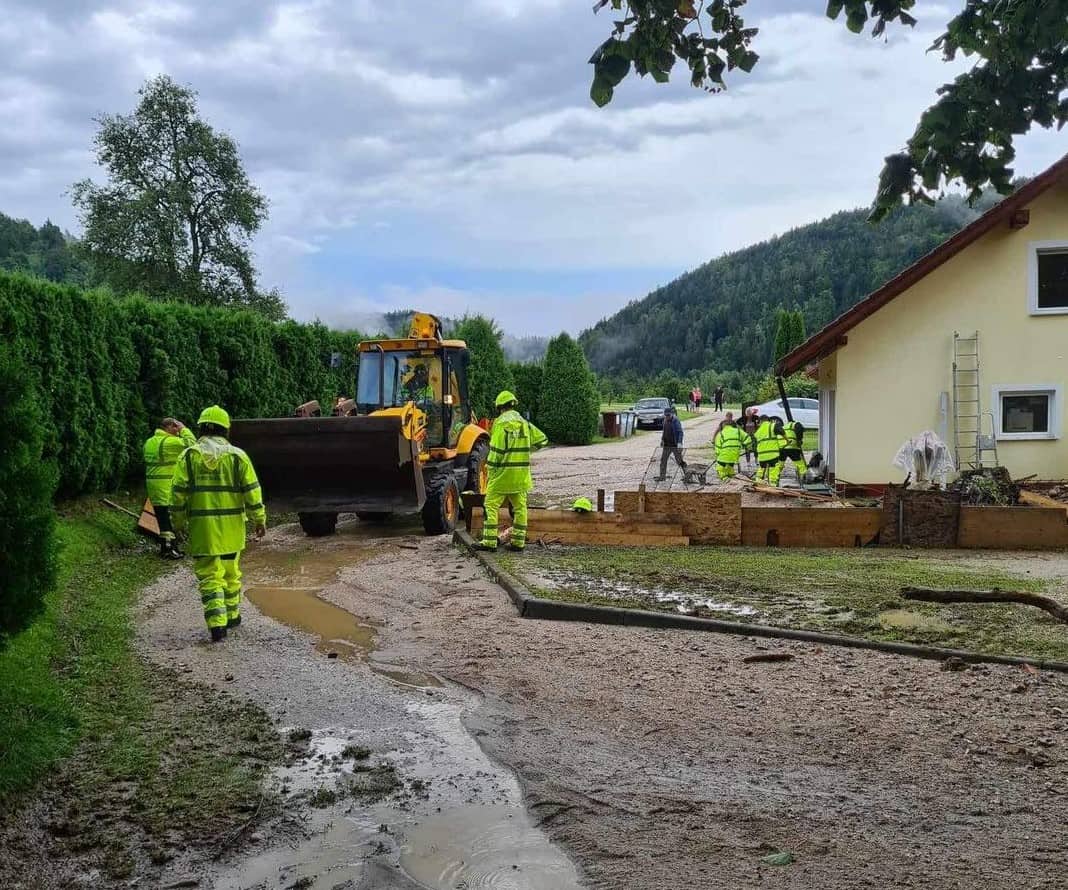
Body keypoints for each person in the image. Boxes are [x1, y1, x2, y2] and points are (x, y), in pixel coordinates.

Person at [171, 405, 266, 642]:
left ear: (201, 427)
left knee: (209, 576)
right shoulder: (237, 456)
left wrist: (178, 522)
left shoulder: (189, 457)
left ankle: (217, 625)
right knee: (231, 572)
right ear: (226, 429)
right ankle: (233, 615)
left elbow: (178, 495)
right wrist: (259, 519)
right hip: (232, 528)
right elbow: (252, 492)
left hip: (203, 529)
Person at [474, 391, 548, 553]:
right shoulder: (524, 423)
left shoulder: (501, 424)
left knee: (490, 505)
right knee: (520, 508)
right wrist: (525, 451)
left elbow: (497, 450)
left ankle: (489, 541)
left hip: (502, 476)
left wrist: (489, 467)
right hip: (521, 476)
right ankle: (518, 542)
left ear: (499, 407)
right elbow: (543, 440)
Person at [143, 417, 196, 559]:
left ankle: (169, 547)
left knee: (162, 517)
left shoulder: (150, 441)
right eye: (176, 428)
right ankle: (169, 549)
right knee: (168, 518)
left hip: (153, 484)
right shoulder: (169, 442)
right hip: (165, 485)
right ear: (170, 427)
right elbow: (192, 444)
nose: (178, 432)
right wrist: (184, 428)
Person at [654, 406, 687, 481]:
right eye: (666, 415)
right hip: (667, 445)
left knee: (680, 461)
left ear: (672, 414)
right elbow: (664, 431)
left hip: (675, 445)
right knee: (663, 461)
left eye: (668, 415)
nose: (667, 417)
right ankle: (662, 477)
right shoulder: (665, 420)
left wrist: (679, 443)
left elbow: (680, 432)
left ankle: (688, 476)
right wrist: (662, 440)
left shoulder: (676, 421)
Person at [753, 415, 783, 485]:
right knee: (774, 468)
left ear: (760, 421)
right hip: (773, 454)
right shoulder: (772, 426)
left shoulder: (757, 432)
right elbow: (781, 431)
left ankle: (758, 482)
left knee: (761, 469)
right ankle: (772, 484)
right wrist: (787, 440)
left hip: (761, 456)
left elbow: (755, 444)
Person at [779, 418, 807, 483]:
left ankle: (774, 478)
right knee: (799, 463)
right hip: (792, 447)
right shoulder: (796, 424)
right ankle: (804, 477)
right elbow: (799, 430)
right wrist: (799, 440)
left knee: (780, 464)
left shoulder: (784, 427)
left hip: (782, 448)